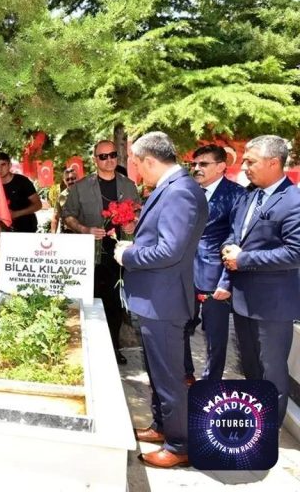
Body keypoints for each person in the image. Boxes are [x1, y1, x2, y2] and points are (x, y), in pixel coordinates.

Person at [114, 131, 207, 469]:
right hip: (156, 298)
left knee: (169, 376)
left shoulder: (180, 192)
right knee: (157, 371)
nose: (137, 171)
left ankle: (180, 444)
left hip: (164, 301)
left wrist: (129, 255)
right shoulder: (172, 188)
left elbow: (170, 249)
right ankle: (162, 425)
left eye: (137, 164)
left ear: (150, 161)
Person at [221, 135, 300, 423]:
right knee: (250, 366)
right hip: (244, 301)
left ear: (274, 162)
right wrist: (229, 247)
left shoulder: (294, 201)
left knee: (271, 371)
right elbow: (236, 234)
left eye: (250, 161)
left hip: (273, 304)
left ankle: (270, 428)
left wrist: (243, 259)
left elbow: (295, 253)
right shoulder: (250, 196)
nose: (244, 166)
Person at [62, 141, 141, 364]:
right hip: (91, 254)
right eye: (103, 156)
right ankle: (89, 349)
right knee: (90, 303)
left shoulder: (128, 185)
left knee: (116, 305)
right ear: (95, 160)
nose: (109, 160)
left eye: (113, 155)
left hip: (119, 252)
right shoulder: (81, 187)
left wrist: (132, 224)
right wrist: (84, 229)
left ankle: (114, 348)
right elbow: (68, 215)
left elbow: (137, 214)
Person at [182, 145, 244, 385]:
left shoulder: (236, 195)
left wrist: (226, 280)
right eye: (194, 164)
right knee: (181, 326)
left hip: (215, 277)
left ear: (220, 166)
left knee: (215, 336)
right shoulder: (188, 192)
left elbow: (237, 238)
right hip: (184, 273)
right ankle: (186, 372)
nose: (197, 168)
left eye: (203, 164)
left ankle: (210, 383)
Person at [0, 152, 42, 232]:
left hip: (27, 229)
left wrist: (16, 213)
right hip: (4, 231)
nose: (0, 169)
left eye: (3, 164)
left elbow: (38, 205)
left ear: (9, 165)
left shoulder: (22, 181)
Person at [50, 166, 78, 233]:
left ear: (78, 178)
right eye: (67, 179)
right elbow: (55, 218)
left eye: (73, 178)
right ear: (64, 181)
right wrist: (53, 235)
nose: (70, 181)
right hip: (67, 233)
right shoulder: (61, 197)